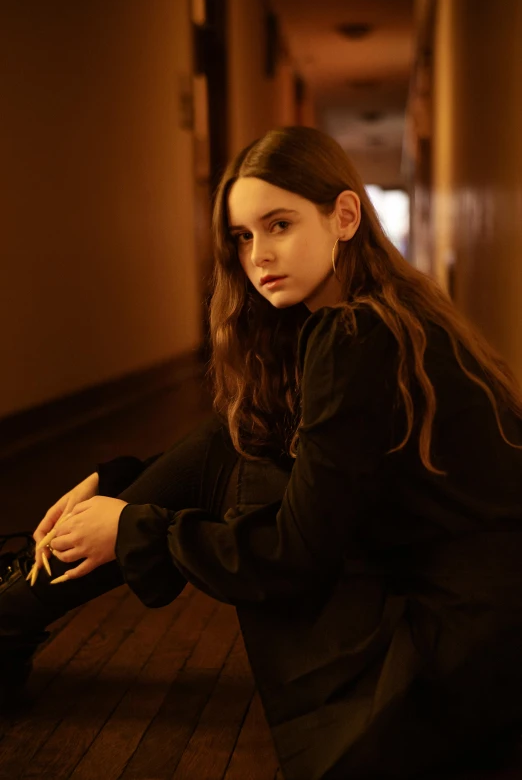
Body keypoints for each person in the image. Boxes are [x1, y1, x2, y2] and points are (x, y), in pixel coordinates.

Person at [1, 125, 522, 779]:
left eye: (279, 225)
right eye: (243, 237)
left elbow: (295, 558)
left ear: (344, 215)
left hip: (429, 680)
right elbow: (271, 449)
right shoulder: (395, 312)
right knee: (234, 443)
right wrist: (114, 487)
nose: (258, 257)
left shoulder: (357, 334)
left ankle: (7, 614)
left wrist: (133, 527)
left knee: (230, 459)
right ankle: (9, 612)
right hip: (486, 655)